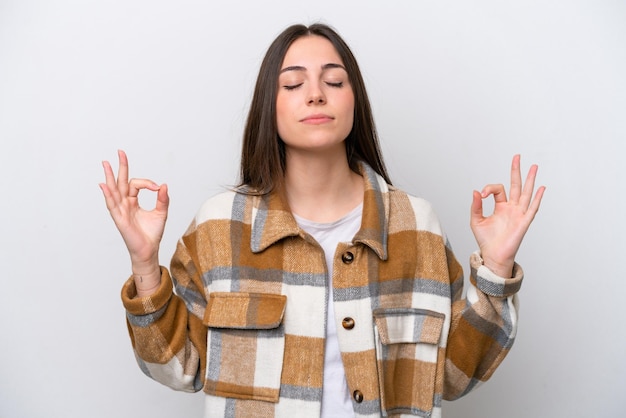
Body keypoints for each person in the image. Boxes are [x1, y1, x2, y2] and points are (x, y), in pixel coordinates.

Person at [100, 23, 545, 418]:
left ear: (355, 101)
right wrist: (144, 264)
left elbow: (453, 375)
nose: (316, 93)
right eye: (293, 84)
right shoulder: (220, 225)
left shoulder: (415, 224)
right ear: (268, 108)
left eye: (333, 80)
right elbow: (179, 368)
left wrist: (496, 269)